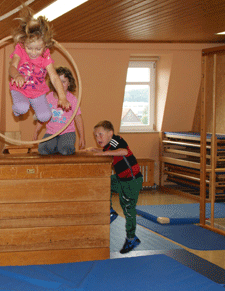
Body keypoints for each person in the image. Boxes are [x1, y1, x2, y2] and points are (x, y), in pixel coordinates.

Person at [85, 120, 143, 254]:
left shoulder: (115, 140)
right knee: (104, 183)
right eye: (95, 136)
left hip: (132, 180)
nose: (97, 138)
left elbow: (123, 151)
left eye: (100, 134)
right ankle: (110, 211)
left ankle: (131, 238)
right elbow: (112, 151)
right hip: (121, 178)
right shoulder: (109, 145)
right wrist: (97, 150)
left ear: (110, 133)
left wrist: (102, 153)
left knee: (128, 208)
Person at [9, 7, 71, 123]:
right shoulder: (20, 49)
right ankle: (17, 110)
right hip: (20, 89)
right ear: (24, 43)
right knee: (22, 107)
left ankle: (37, 111)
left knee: (45, 117)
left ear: (45, 46)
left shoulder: (45, 56)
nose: (33, 52)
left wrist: (62, 97)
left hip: (37, 92)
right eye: (30, 48)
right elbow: (12, 67)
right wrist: (16, 75)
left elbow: (54, 77)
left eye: (38, 49)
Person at [33, 66, 85, 155]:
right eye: (57, 82)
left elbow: (78, 118)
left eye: (63, 81)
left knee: (65, 150)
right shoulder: (48, 98)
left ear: (69, 83)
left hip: (67, 132)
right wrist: (36, 132)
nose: (60, 84)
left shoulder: (72, 99)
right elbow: (43, 117)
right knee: (43, 150)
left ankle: (61, 145)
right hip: (51, 133)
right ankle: (56, 145)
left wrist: (82, 136)